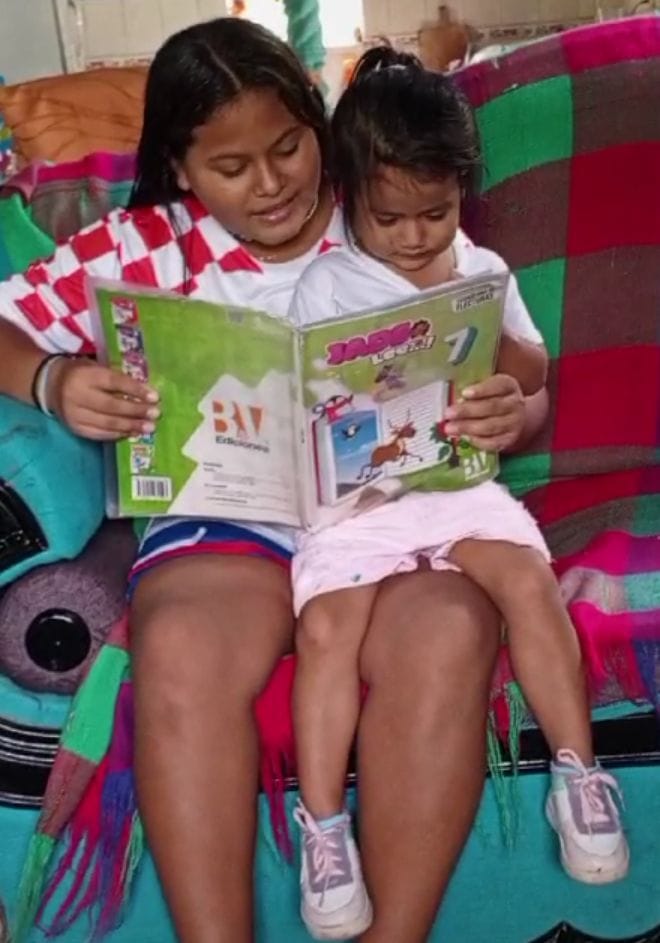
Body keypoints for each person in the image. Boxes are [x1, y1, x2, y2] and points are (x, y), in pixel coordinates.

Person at [0, 19, 548, 943]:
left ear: (317, 123)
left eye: (290, 147)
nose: (271, 184)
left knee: (451, 627)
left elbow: (519, 373)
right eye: (231, 167)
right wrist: (52, 380)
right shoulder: (142, 249)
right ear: (181, 170)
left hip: (391, 514)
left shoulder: (388, 208)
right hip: (231, 519)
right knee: (181, 642)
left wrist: (512, 413)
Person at [289, 47, 628, 941]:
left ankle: (578, 774)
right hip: (358, 505)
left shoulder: (482, 268)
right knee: (326, 630)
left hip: (455, 483)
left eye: (434, 214)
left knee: (527, 579)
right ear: (348, 198)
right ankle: (324, 828)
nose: (413, 236)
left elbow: (533, 368)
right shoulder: (323, 284)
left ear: (462, 197)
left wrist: (498, 371)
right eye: (390, 217)